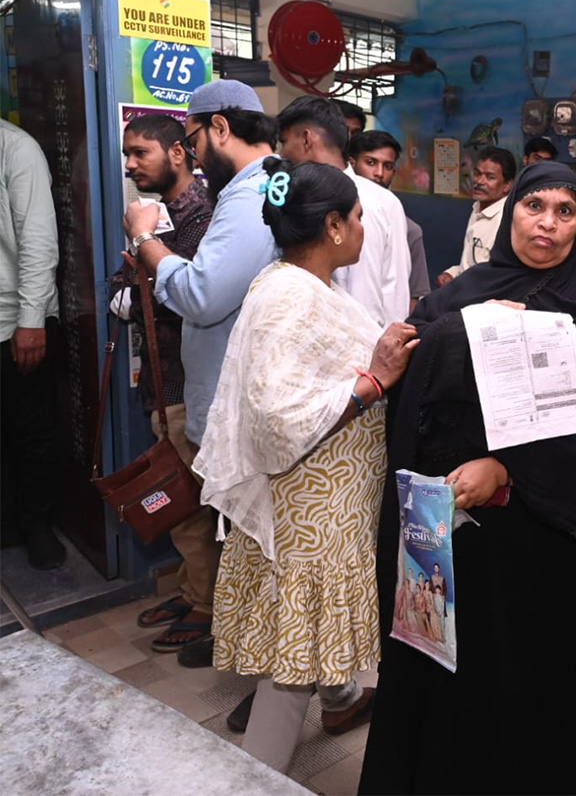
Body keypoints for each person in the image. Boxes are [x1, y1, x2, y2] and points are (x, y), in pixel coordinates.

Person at [359, 161, 576, 795]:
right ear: (510, 211)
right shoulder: (464, 291)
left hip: (537, 547)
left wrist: (508, 467)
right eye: (534, 206)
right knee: (438, 674)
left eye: (565, 211)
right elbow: (410, 379)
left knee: (514, 688)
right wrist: (461, 330)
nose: (547, 223)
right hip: (446, 532)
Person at [194, 157, 420, 773]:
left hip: (326, 508)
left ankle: (344, 694)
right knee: (288, 673)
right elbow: (279, 419)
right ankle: (257, 780)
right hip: (308, 518)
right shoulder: (290, 297)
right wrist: (373, 381)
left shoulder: (304, 285)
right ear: (335, 227)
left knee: (310, 641)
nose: (364, 229)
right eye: (357, 218)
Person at [123, 81, 279, 665]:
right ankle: (252, 657)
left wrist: (144, 240)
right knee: (235, 534)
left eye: (192, 136)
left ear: (217, 129)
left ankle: (267, 668)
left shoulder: (245, 196)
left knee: (249, 537)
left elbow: (205, 295)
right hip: (231, 395)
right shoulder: (257, 186)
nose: (191, 151)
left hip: (242, 402)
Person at [111, 114, 221, 650]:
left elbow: (190, 296)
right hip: (161, 383)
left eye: (140, 153)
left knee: (199, 505)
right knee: (179, 503)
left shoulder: (201, 214)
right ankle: (194, 589)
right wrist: (147, 283)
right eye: (127, 154)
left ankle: (210, 604)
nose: (130, 165)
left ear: (179, 152)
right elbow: (122, 290)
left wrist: (147, 283)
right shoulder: (150, 215)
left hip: (189, 384)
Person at [276, 96, 411, 328]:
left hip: (361, 348)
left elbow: (374, 297)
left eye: (284, 141)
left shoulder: (370, 201)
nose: (281, 154)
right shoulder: (306, 197)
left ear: (307, 139)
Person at [0, 119, 63, 570]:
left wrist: (30, 320)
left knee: (31, 432)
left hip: (18, 320)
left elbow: (38, 241)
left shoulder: (16, 149)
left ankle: (37, 526)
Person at [348, 130, 432, 312]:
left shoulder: (409, 229)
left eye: (387, 166)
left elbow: (414, 296)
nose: (379, 173)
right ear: (351, 163)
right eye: (370, 163)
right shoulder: (336, 216)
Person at [436, 145, 516, 286]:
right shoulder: (478, 208)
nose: (479, 181)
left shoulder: (506, 221)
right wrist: (451, 273)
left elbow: (498, 279)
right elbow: (470, 265)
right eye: (478, 173)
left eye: (490, 177)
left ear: (507, 185)